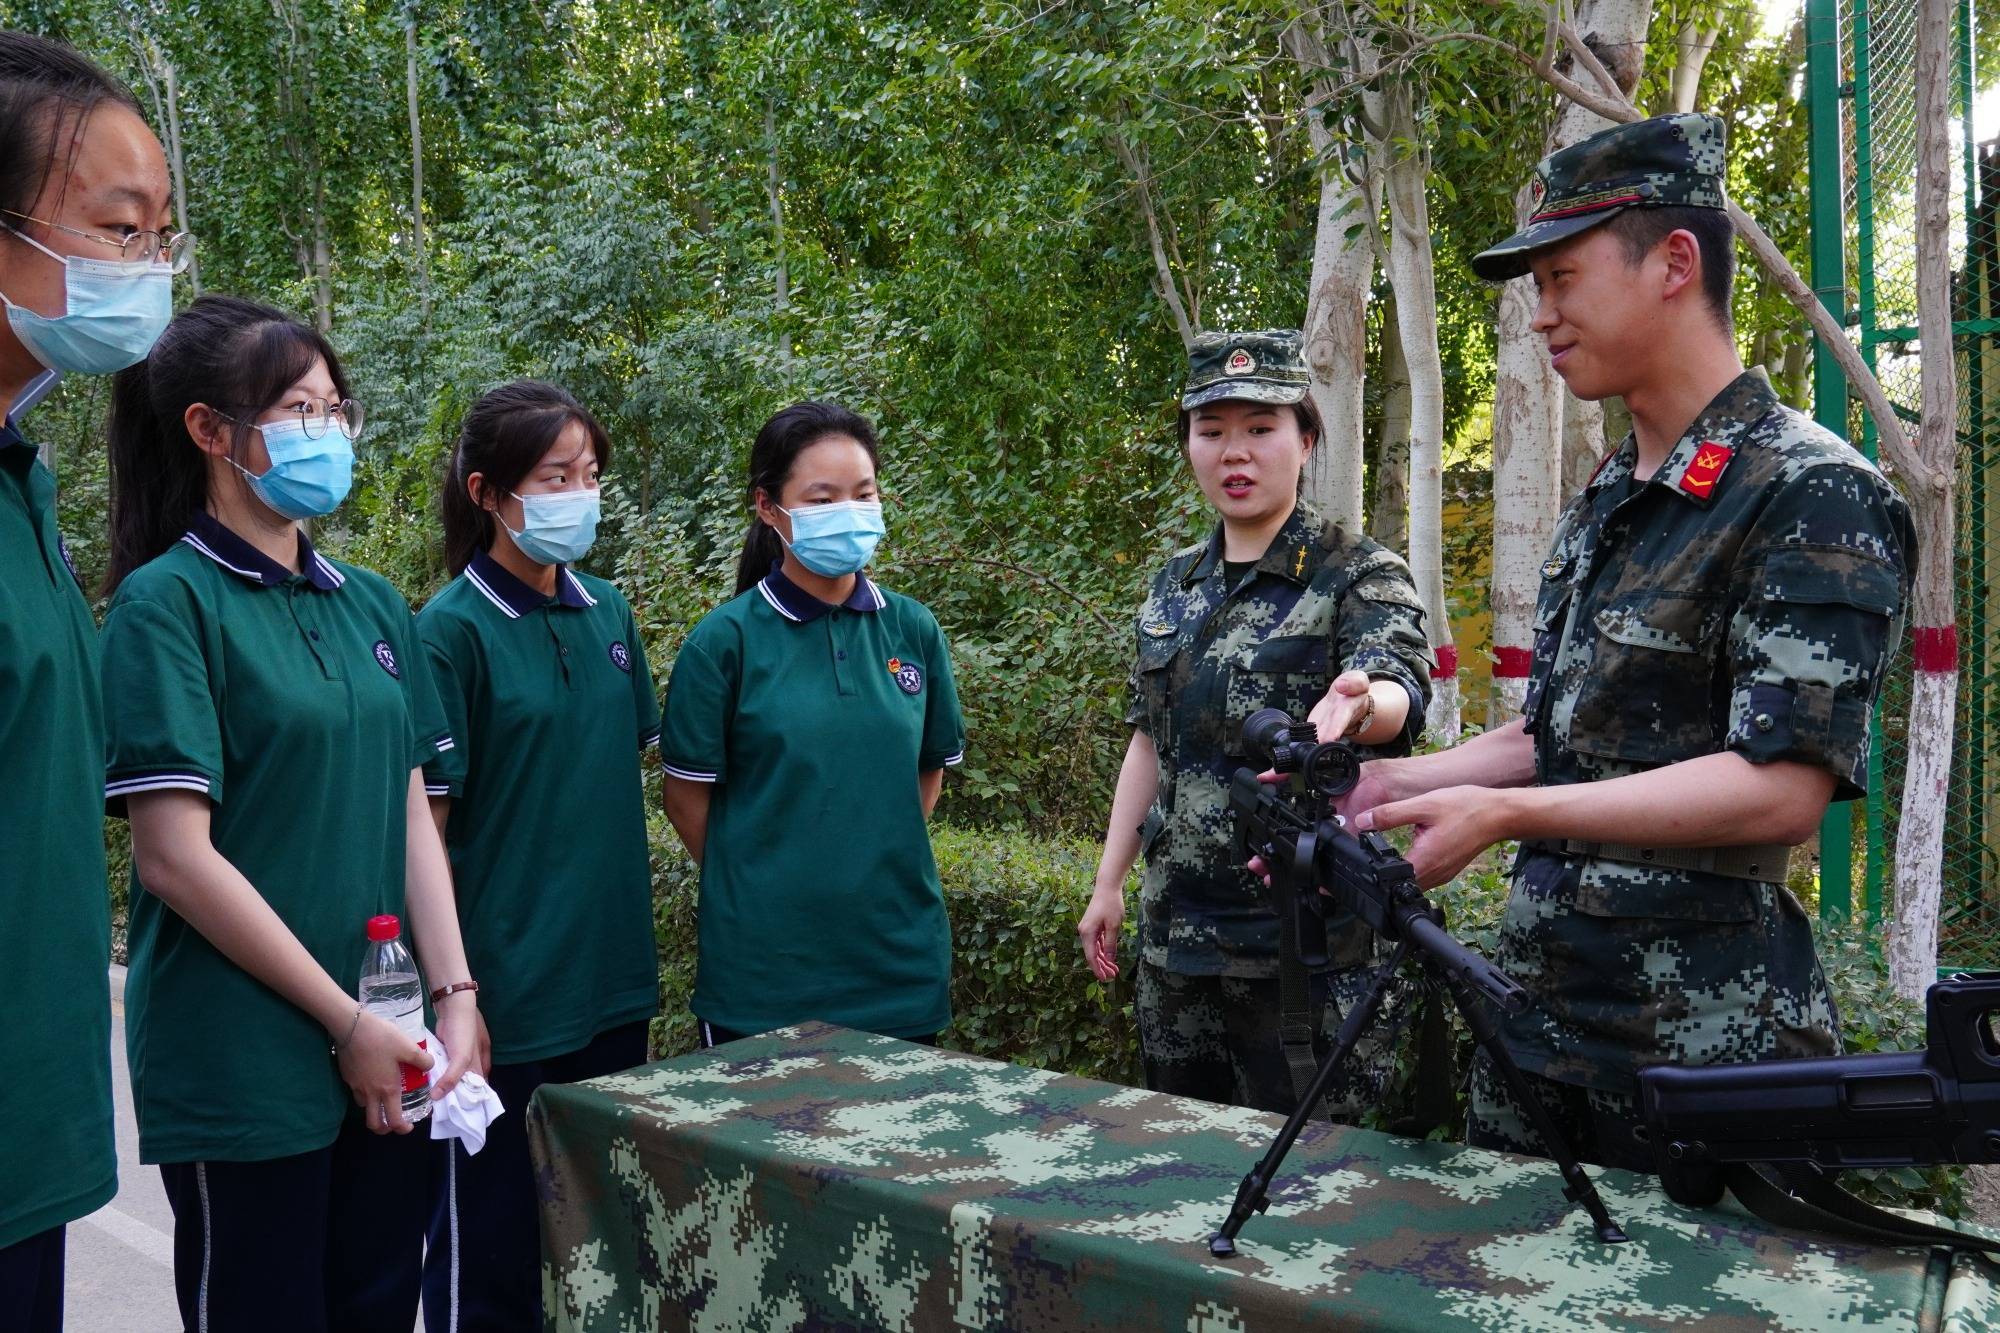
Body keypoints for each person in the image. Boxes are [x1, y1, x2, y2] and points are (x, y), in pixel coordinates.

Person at [1340, 114, 1915, 1169]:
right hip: (1539, 1038)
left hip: (1704, 1056)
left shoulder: (1808, 491)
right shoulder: (1611, 491)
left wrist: (1505, 812)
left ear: (1673, 262)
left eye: (1561, 278)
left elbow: (1779, 786)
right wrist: (1397, 785)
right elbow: (1566, 733)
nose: (1542, 315)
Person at [98, 296, 481, 1333]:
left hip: (392, 1037)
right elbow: (176, 857)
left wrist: (453, 997)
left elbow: (409, 812)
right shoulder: (165, 605)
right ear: (211, 431)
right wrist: (341, 1021)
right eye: (295, 409)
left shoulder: (371, 605)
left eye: (333, 408)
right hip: (244, 1058)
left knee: (374, 1303)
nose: (326, 431)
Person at [1076, 330, 1433, 1117]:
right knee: (1182, 1169)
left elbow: (1399, 682)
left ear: (1306, 439)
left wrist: (1363, 703)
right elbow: (1149, 739)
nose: (1235, 453)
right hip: (1179, 949)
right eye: (1212, 432)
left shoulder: (1356, 571)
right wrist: (1109, 883)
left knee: (1315, 1185)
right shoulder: (1175, 585)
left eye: (1261, 429)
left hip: (1305, 954)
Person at [0, 31, 183, 1333]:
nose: (151, 269)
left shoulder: (25, 489)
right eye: (119, 228)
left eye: (160, 232)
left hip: (32, 1141)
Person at [417, 381, 661, 1332]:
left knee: (596, 1245)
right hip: (504, 1000)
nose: (579, 493)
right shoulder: (447, 633)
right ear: (488, 492)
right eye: (555, 476)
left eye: (590, 473)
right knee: (494, 1254)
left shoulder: (609, 613)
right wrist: (455, 994)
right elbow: (424, 835)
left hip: (611, 986)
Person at [661, 400, 964, 1047]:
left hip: (897, 970)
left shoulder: (913, 630)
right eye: (823, 498)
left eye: (863, 493)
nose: (849, 512)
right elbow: (686, 800)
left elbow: (925, 775)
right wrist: (763, 878)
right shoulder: (724, 644)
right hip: (763, 979)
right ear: (769, 507)